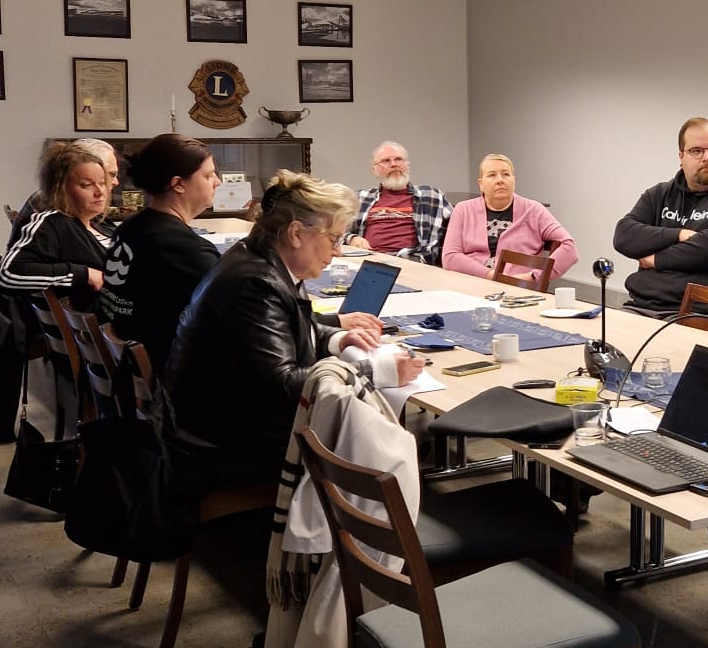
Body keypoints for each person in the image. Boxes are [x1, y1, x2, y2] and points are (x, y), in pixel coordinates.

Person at [166, 172, 423, 491]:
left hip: (211, 430)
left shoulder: (257, 259)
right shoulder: (256, 284)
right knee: (381, 458)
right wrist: (377, 370)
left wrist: (338, 338)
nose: (338, 252)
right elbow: (282, 384)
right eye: (333, 239)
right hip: (223, 452)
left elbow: (289, 328)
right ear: (296, 233)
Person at [613, 116, 708, 316]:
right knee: (598, 332)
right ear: (681, 156)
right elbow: (624, 236)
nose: (707, 157)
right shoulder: (660, 194)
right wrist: (679, 235)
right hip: (644, 305)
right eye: (696, 151)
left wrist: (657, 259)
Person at [96, 134, 222, 375]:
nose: (217, 182)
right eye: (208, 176)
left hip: (129, 364)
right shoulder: (185, 250)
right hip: (171, 373)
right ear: (178, 184)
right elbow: (234, 315)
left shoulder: (130, 227)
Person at [0, 141, 114, 303]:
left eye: (102, 183)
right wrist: (83, 274)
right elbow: (7, 274)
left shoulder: (100, 224)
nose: (100, 192)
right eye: (86, 185)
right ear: (60, 188)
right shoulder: (52, 225)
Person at [440, 153, 578, 282]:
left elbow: (569, 247)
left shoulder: (534, 210)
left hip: (517, 289)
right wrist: (490, 275)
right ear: (481, 184)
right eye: (492, 175)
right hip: (471, 284)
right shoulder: (463, 210)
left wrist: (534, 276)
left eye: (506, 174)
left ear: (513, 180)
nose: (500, 180)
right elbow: (450, 256)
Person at [343, 142, 447, 262]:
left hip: (411, 261)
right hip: (368, 260)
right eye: (386, 161)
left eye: (398, 159)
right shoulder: (360, 198)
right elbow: (333, 233)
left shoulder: (431, 196)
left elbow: (459, 225)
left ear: (407, 165)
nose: (394, 164)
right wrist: (352, 238)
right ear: (375, 170)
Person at [9, 138, 121, 244]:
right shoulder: (49, 219)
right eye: (111, 175)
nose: (116, 182)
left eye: (102, 182)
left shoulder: (92, 217)